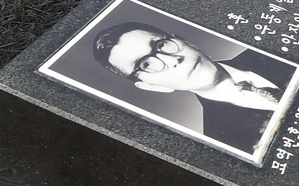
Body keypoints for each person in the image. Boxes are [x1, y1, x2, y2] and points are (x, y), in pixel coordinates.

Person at [94, 22, 283, 150]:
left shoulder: (275, 45)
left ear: (186, 41)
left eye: (161, 45)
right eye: (146, 64)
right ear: (151, 86)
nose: (173, 60)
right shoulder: (227, 140)